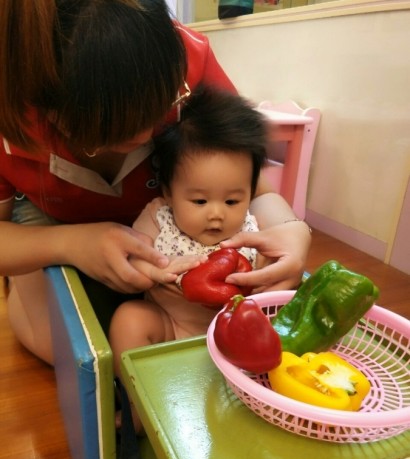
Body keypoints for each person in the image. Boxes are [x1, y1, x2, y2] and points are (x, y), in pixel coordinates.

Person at [0, 0, 311, 367]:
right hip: (51, 224)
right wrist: (70, 243)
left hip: (170, 260)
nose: (146, 135)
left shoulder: (188, 59)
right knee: (79, 356)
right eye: (113, 129)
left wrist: (291, 228)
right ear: (45, 110)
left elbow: (251, 186)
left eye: (160, 108)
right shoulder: (12, 104)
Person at [109, 86, 266, 402]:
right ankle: (138, 404)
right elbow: (133, 256)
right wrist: (157, 270)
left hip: (233, 337)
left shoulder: (251, 230)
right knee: (129, 318)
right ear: (168, 192)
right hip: (171, 326)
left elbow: (267, 274)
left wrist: (258, 281)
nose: (216, 214)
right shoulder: (159, 218)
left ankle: (253, 393)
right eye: (199, 201)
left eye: (232, 201)